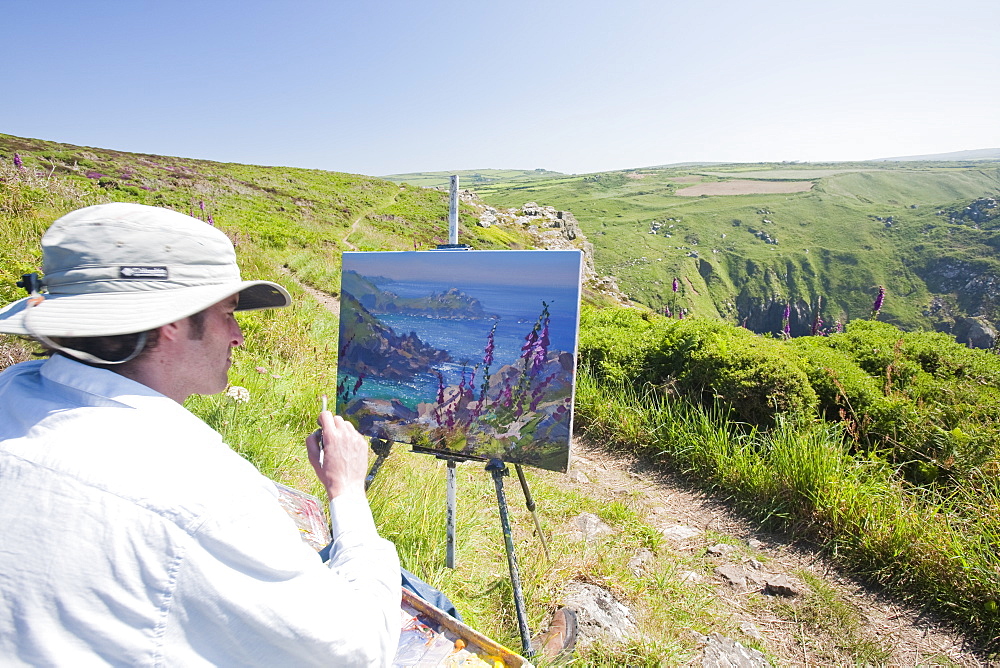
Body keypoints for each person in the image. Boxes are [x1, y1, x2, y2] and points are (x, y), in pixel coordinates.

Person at [0, 203, 401, 665]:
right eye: (227, 313)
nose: (238, 337)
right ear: (171, 320)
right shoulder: (199, 494)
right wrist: (347, 490)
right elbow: (356, 648)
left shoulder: (15, 389)